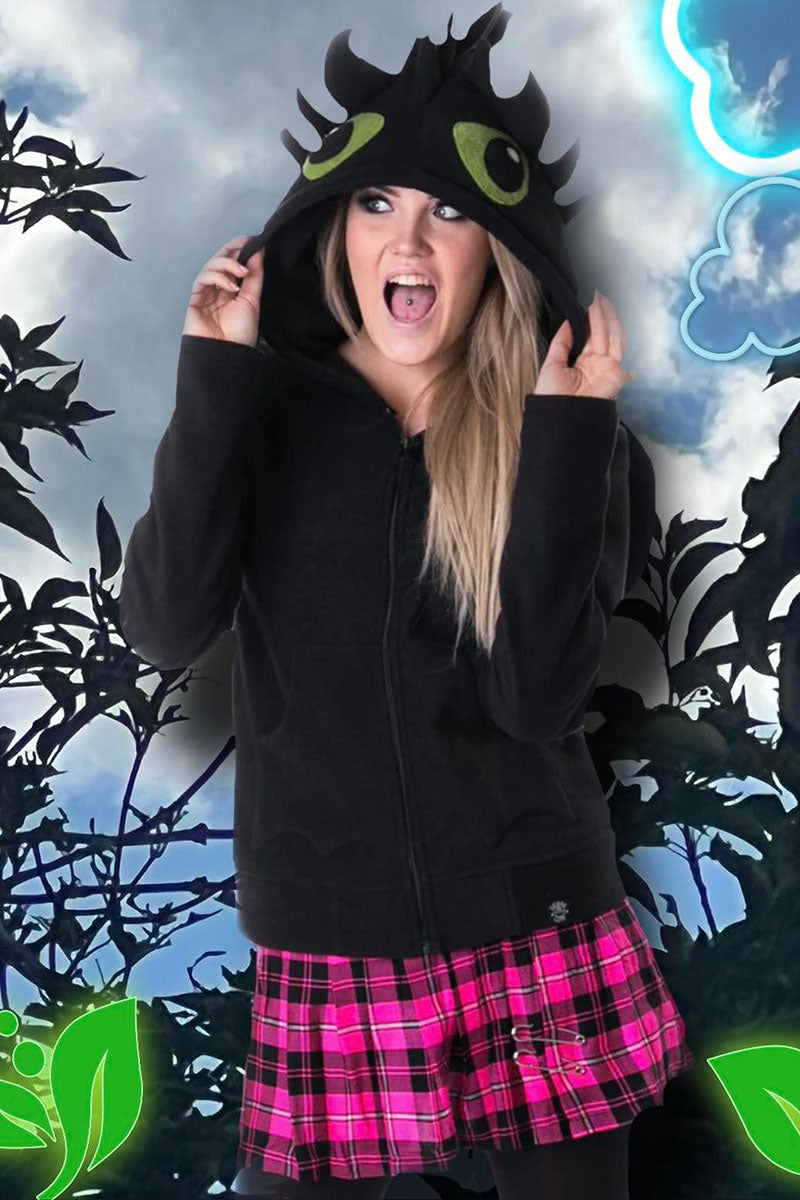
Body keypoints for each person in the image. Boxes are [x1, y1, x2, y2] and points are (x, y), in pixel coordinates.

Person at [119, 6, 693, 1198]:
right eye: (378, 202)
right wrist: (214, 374)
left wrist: (568, 437)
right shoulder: (264, 416)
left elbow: (538, 702)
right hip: (333, 942)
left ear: (499, 245)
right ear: (335, 226)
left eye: (450, 211)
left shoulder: (565, 436)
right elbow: (164, 626)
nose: (410, 240)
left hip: (539, 925)